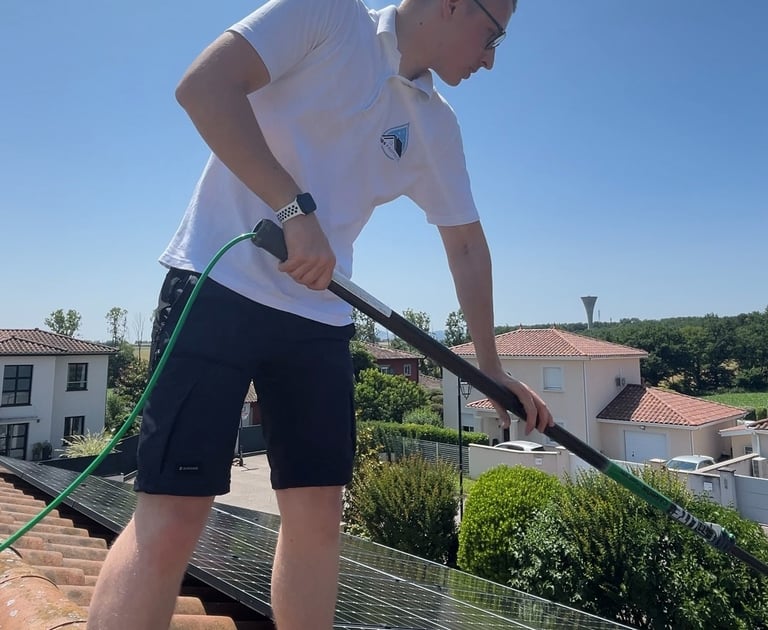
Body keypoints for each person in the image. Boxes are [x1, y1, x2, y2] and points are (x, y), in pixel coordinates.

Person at [87, 0, 553, 628]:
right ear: (452, 4)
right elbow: (203, 86)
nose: (491, 61)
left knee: (318, 518)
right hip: (215, 287)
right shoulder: (328, 15)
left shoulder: (435, 124)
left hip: (319, 318)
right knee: (174, 514)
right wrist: (291, 208)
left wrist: (489, 368)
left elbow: (466, 244)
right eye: (494, 37)